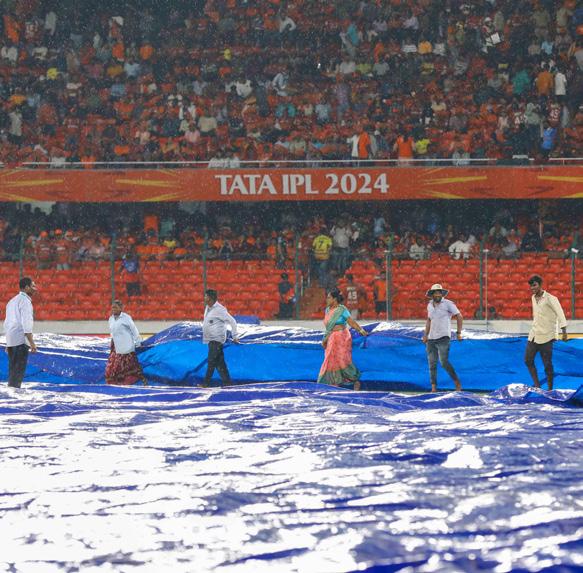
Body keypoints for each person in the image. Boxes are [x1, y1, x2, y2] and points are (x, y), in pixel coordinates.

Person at [318, 288, 367, 390]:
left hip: (342, 337)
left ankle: (354, 380)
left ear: (335, 299)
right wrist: (325, 339)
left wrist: (361, 330)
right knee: (330, 360)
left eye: (329, 298)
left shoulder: (342, 310)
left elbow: (351, 322)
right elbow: (328, 327)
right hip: (331, 337)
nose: (327, 300)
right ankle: (333, 383)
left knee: (342, 360)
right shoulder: (327, 310)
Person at [525, 275, 568, 391]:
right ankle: (538, 386)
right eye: (531, 286)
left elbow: (560, 313)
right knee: (528, 360)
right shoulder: (533, 298)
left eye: (534, 285)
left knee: (547, 364)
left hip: (547, 336)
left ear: (540, 285)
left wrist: (564, 331)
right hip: (534, 334)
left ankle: (549, 389)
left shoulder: (551, 298)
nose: (532, 288)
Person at [422, 283, 463, 392]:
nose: (438, 295)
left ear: (442, 294)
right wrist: (425, 335)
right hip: (431, 338)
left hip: (444, 337)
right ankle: (433, 388)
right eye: (435, 293)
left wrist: (459, 333)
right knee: (432, 363)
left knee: (443, 362)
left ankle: (456, 381)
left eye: (439, 292)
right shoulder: (429, 305)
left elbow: (459, 316)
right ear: (432, 294)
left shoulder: (448, 304)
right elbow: (429, 320)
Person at [3, 277, 38, 388]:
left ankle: (11, 393)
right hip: (20, 341)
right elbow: (27, 324)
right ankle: (14, 394)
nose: (35, 289)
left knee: (12, 372)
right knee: (18, 373)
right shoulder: (25, 301)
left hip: (11, 340)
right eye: (33, 286)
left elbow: (7, 323)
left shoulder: (11, 301)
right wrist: (32, 343)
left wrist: (8, 342)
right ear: (26, 287)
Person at [202, 289, 239, 387]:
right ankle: (228, 383)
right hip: (211, 340)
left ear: (210, 298)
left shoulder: (220, 309)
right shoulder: (208, 308)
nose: (204, 298)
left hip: (216, 340)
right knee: (220, 364)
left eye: (205, 296)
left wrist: (235, 336)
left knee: (211, 362)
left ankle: (206, 383)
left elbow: (232, 321)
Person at [105, 300, 147, 386]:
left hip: (127, 346)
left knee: (129, 365)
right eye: (112, 307)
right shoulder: (111, 319)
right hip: (117, 346)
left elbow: (134, 329)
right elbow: (112, 332)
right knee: (115, 365)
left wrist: (138, 340)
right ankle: (118, 382)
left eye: (115, 307)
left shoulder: (126, 318)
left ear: (121, 308)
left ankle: (133, 381)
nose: (113, 309)